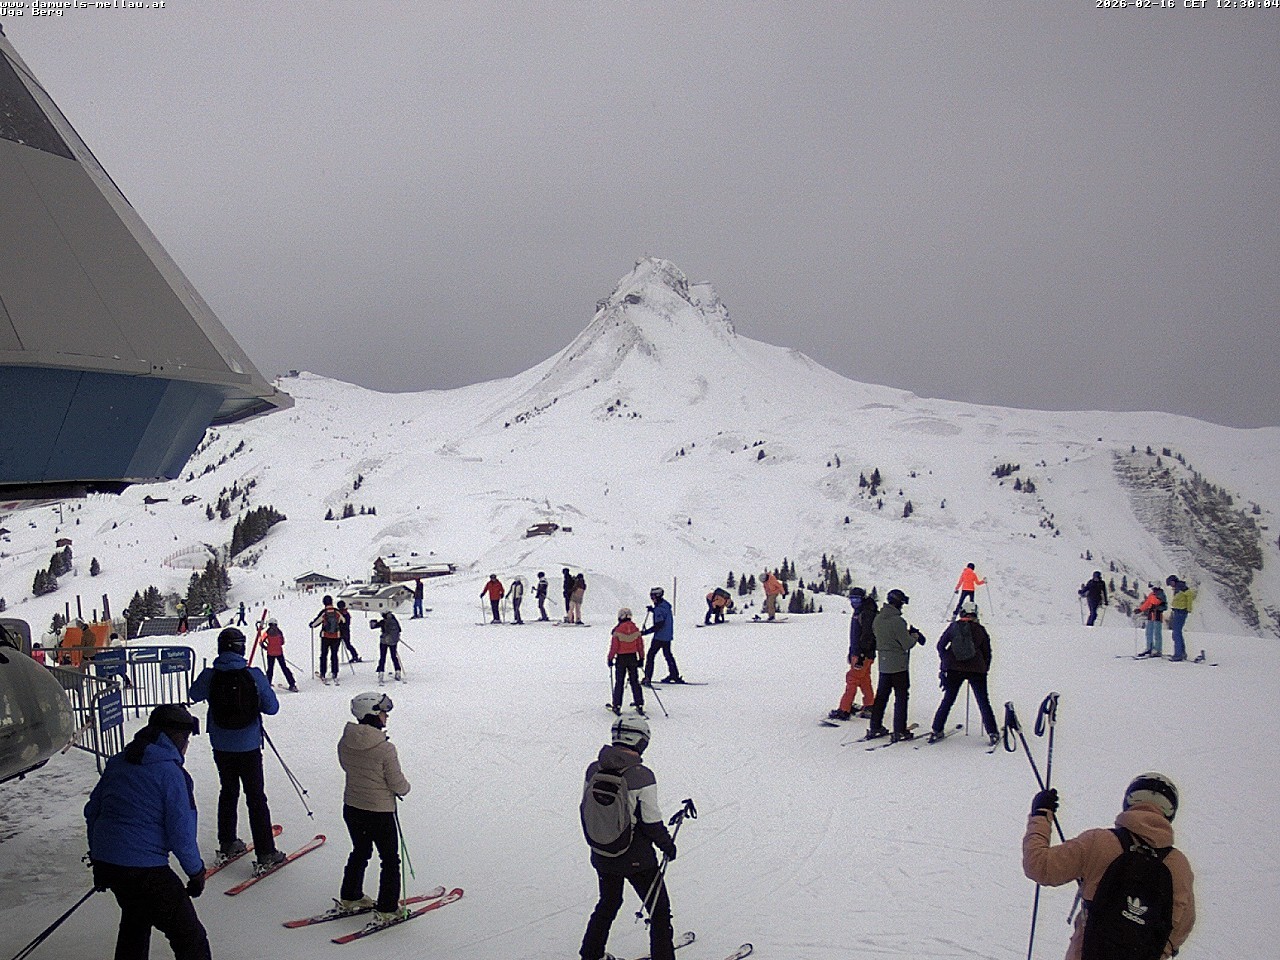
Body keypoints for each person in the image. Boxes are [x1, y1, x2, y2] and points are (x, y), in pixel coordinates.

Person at [1023, 772, 1195, 960]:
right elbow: (1181, 927)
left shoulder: (1099, 842)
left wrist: (1041, 814)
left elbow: (1039, 866)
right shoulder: (1179, 867)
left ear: (1129, 802)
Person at [85, 703, 210, 960]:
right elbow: (181, 832)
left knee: (135, 920)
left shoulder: (118, 762)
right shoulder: (171, 774)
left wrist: (100, 858)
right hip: (146, 870)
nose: (186, 745)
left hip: (111, 863)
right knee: (190, 938)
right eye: (186, 738)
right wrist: (196, 872)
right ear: (176, 737)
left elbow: (93, 811)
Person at [578, 714, 678, 960]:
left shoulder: (593, 769)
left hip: (602, 853)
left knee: (608, 902)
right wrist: (667, 844)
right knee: (659, 910)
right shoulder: (642, 776)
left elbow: (586, 808)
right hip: (637, 858)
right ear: (640, 741)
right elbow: (651, 821)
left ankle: (591, 954)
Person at [187, 627, 285, 869]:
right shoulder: (253, 675)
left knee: (228, 791)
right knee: (256, 796)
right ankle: (266, 853)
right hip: (249, 745)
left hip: (221, 744)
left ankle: (228, 841)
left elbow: (193, 694)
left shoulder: (210, 675)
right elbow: (272, 708)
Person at [338, 691, 412, 925]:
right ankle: (388, 908)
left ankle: (351, 896)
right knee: (389, 859)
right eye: (383, 712)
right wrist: (405, 788)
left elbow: (346, 766)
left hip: (352, 807)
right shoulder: (385, 748)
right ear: (371, 714)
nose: (386, 716)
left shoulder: (345, 741)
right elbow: (397, 783)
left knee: (360, 851)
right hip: (379, 812)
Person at [928, 600, 999, 744]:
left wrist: (947, 660)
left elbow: (940, 646)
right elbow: (987, 652)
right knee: (983, 702)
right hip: (977, 670)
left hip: (954, 669)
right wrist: (984, 667)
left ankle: (936, 730)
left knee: (948, 699)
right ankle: (992, 732)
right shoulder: (980, 629)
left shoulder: (953, 627)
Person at [867, 588, 926, 741]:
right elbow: (906, 644)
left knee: (881, 696)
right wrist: (914, 636)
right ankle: (899, 730)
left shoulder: (878, 619)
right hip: (899, 665)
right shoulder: (898, 621)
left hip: (884, 663)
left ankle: (875, 727)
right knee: (901, 697)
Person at [828, 587, 877, 721]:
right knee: (864, 679)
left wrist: (860, 655)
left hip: (863, 654)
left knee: (852, 679)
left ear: (862, 599)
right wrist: (852, 652)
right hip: (861, 653)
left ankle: (844, 709)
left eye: (857, 599)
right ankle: (870, 705)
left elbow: (867, 636)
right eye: (852, 599)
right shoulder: (861, 611)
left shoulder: (866, 613)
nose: (854, 602)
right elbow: (856, 635)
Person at [608, 608, 646, 716]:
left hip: (621, 658)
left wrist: (610, 658)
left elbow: (614, 647)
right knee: (634, 681)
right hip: (632, 657)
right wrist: (641, 658)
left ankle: (617, 705)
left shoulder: (617, 630)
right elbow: (640, 645)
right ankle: (639, 703)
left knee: (619, 682)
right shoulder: (635, 629)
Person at [641, 587, 681, 684]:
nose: (652, 599)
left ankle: (647, 678)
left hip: (660, 637)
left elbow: (659, 625)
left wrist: (645, 632)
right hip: (667, 636)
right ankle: (674, 675)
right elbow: (663, 615)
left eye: (653, 597)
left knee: (651, 655)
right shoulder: (664, 605)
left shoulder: (659, 609)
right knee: (668, 655)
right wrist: (653, 610)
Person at [309, 595, 346, 683]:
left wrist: (311, 625)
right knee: (334, 655)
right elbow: (344, 621)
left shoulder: (324, 612)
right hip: (336, 636)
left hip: (325, 636)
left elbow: (316, 623)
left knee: (324, 655)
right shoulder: (337, 612)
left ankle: (323, 673)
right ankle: (335, 672)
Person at [261, 617, 297, 691]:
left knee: (270, 669)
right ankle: (292, 684)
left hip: (270, 653)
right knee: (284, 668)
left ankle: (268, 684)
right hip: (279, 652)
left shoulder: (267, 632)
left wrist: (266, 647)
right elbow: (282, 642)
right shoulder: (279, 632)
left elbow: (261, 641)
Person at [1166, 575, 1196, 662]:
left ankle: (1178, 654)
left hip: (1181, 611)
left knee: (1176, 633)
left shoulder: (1181, 587)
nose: (1171, 586)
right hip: (1178, 611)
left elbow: (1190, 595)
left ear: (1173, 581)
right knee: (1177, 632)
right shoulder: (1178, 588)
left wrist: (1188, 608)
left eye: (1171, 583)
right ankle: (1181, 653)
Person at [1136, 583, 1168, 658]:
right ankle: (1149, 648)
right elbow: (1147, 603)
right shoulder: (1152, 594)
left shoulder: (1161, 595)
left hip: (1157, 615)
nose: (1152, 589)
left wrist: (1158, 607)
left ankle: (1157, 650)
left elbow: (1164, 606)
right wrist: (1140, 609)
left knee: (1157, 633)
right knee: (1149, 632)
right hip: (1151, 614)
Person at [371, 610, 403, 682]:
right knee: (394, 657)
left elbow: (373, 626)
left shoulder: (384, 621)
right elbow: (399, 629)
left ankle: (381, 674)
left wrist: (373, 622)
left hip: (384, 641)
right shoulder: (394, 620)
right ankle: (398, 671)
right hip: (393, 641)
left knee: (382, 657)